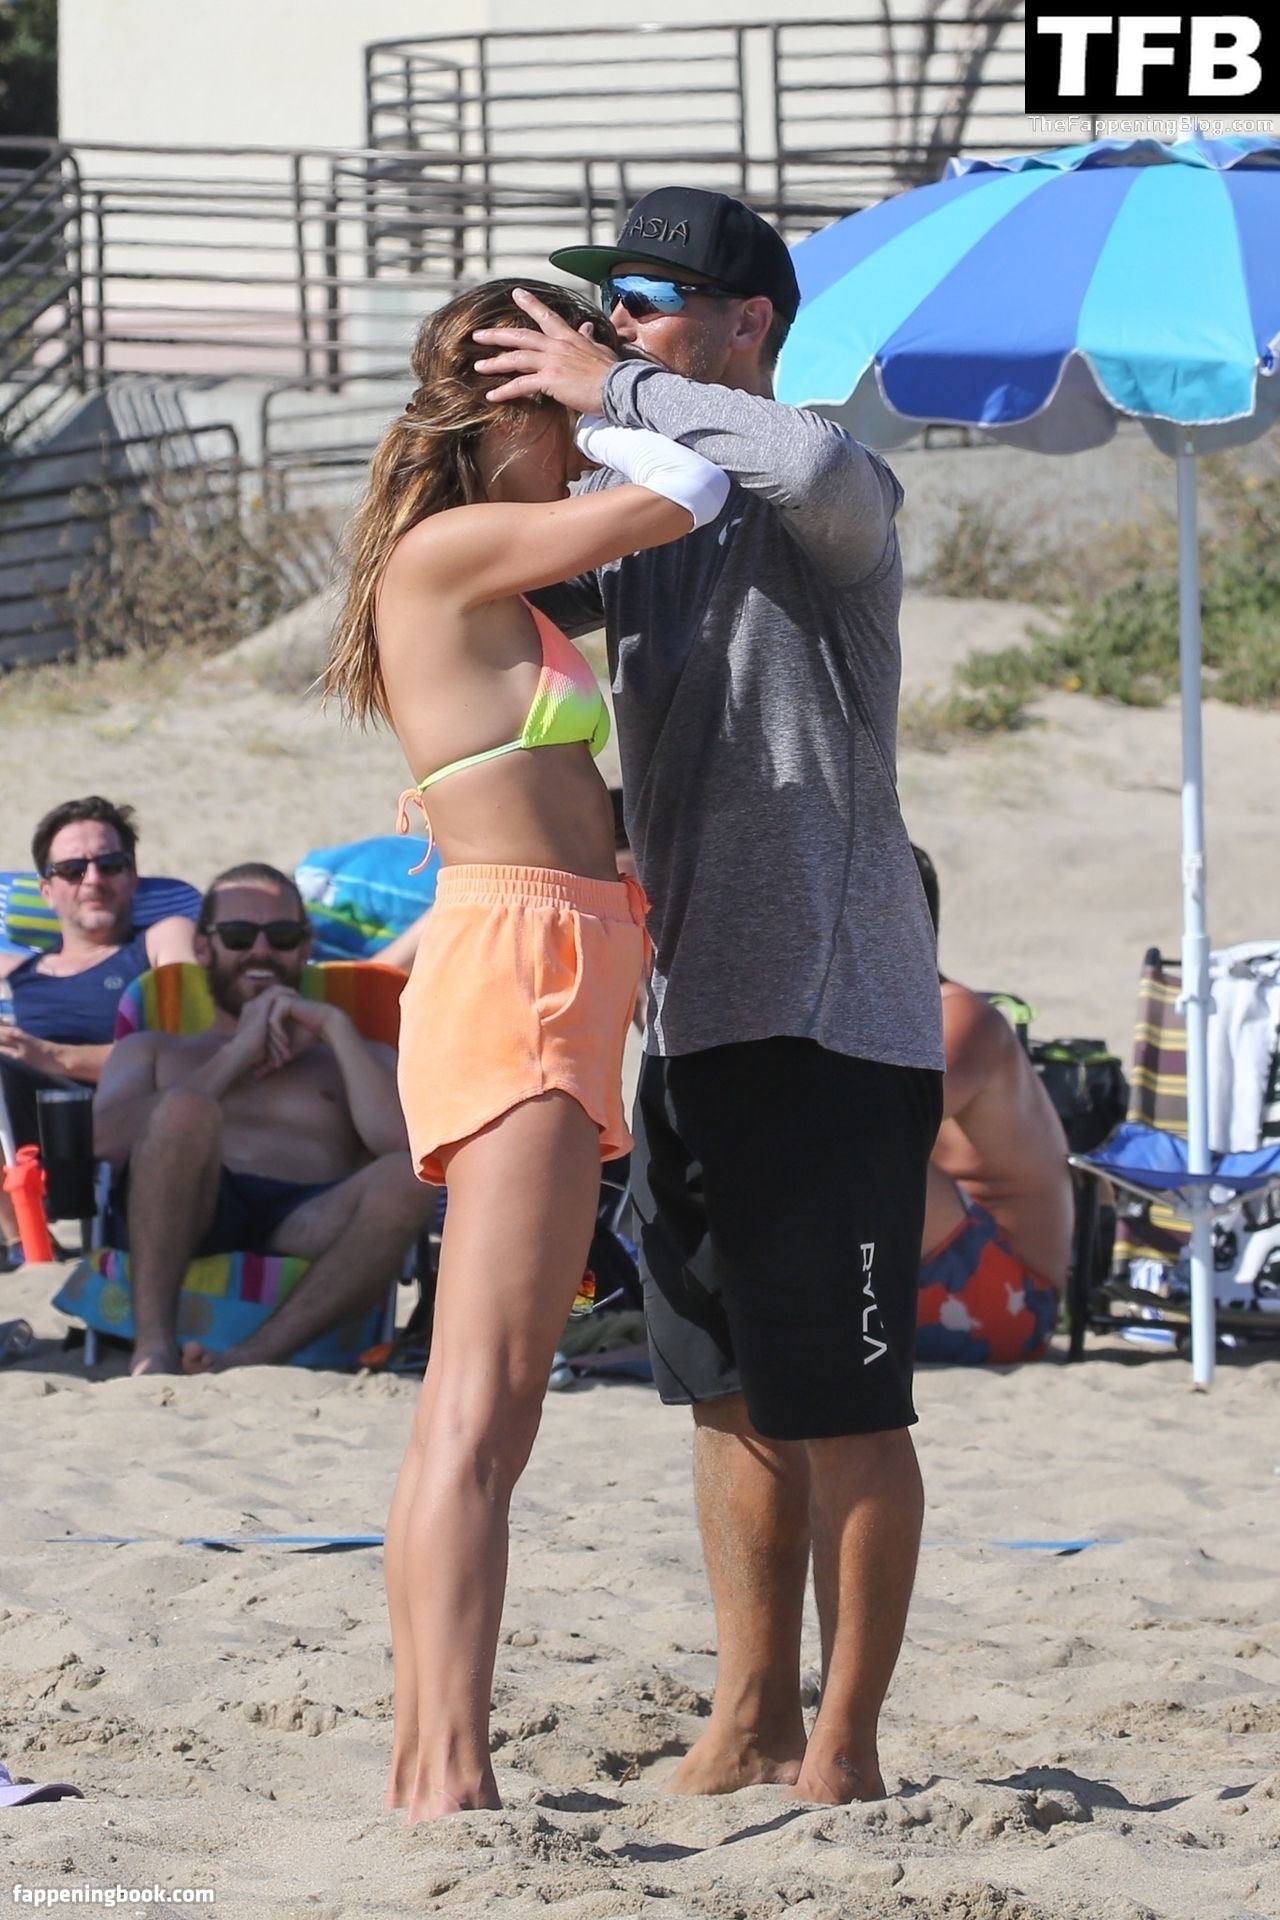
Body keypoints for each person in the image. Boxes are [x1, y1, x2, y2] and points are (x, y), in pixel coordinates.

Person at [470, 186, 943, 1806]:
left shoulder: (826, 489)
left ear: (749, 323)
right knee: (728, 1395)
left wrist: (609, 387)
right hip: (688, 1017)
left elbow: (807, 467)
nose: (614, 323)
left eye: (647, 297)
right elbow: (489, 582)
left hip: (831, 1016)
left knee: (842, 1402)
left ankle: (845, 1748)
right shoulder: (650, 517)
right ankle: (750, 1720)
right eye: (605, 301)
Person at [322, 277, 733, 1822]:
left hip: (551, 962)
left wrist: (587, 390)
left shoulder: (484, 558)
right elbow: (689, 487)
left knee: (490, 1401)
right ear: (514, 399)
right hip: (524, 966)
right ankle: (442, 1774)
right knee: (482, 1402)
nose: (587, 415)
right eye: (565, 389)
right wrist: (611, 392)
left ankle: (438, 1762)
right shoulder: (454, 549)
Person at [92, 862, 435, 1378]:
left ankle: (249, 1357)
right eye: (237, 935)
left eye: (282, 936)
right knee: (184, 1109)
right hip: (190, 1207)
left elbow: (404, 1150)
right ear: (203, 948)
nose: (260, 951)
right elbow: (103, 1145)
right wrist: (236, 1053)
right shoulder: (153, 1049)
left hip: (306, 1216)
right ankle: (154, 1346)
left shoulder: (356, 1054)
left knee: (411, 1174)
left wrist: (335, 1029)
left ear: (305, 948)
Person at [0, 797, 196, 1259]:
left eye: (110, 865)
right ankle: (22, 1239)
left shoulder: (162, 939)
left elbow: (187, 1050)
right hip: (28, 1129)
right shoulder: (17, 969)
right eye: (72, 870)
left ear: (132, 877)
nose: (93, 879)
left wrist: (50, 1056)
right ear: (47, 891)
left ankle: (24, 1241)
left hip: (130, 1117)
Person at [911, 846, 1072, 1364]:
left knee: (863, 1150)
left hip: (1011, 1301)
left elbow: (880, 1126)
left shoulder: (960, 1018)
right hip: (921, 1275)